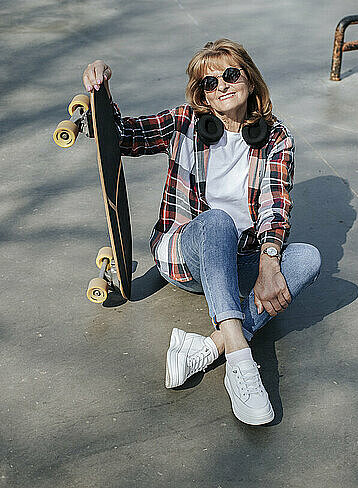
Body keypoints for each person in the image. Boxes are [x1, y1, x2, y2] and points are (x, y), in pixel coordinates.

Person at [83, 39, 321, 426]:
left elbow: (275, 204)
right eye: (210, 83)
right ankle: (241, 362)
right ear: (203, 97)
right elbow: (119, 136)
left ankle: (208, 348)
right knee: (217, 221)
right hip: (186, 254)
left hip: (238, 259)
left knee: (308, 257)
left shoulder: (276, 138)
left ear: (250, 79)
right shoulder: (185, 122)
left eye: (230, 75)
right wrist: (101, 89)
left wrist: (269, 260)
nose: (222, 86)